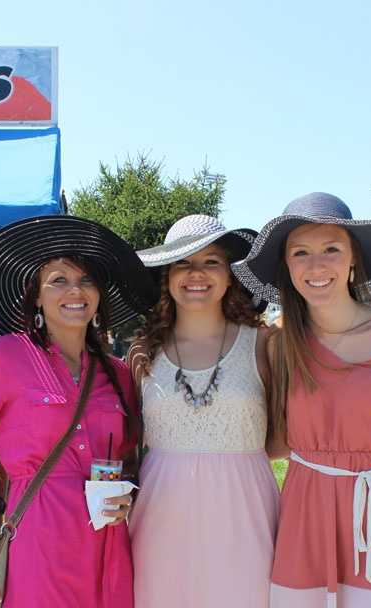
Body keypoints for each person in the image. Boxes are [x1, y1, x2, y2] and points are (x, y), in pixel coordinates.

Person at [234, 193, 371, 608]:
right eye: (301, 253)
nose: (316, 266)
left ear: (353, 259)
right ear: (287, 266)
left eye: (331, 249)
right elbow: (273, 443)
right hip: (302, 524)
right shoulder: (279, 345)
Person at [0, 215, 158, 608]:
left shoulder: (119, 373)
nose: (75, 290)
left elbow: (127, 459)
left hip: (108, 546)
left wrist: (128, 491)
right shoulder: (1, 358)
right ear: (36, 295)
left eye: (86, 280)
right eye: (58, 280)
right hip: (36, 547)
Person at [129, 215, 279, 608]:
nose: (196, 273)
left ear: (231, 275)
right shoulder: (144, 352)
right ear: (167, 276)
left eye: (211, 261)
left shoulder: (263, 343)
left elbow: (282, 440)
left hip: (245, 511)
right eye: (183, 262)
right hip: (161, 514)